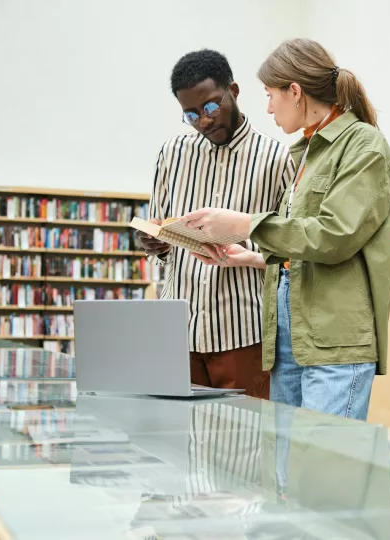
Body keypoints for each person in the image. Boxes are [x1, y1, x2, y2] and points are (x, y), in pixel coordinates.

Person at [183, 39, 390, 420]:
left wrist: (243, 224)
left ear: (295, 92)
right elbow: (303, 244)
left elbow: (334, 236)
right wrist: (251, 257)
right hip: (289, 340)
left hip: (334, 344)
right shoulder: (304, 154)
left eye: (271, 95)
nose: (267, 107)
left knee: (323, 472)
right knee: (285, 471)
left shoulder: (364, 145)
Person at [137, 49, 293, 399]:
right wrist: (155, 244)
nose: (204, 121)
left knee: (247, 444)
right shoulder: (171, 154)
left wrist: (244, 247)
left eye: (210, 107)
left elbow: (290, 246)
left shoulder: (277, 158)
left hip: (245, 333)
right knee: (182, 441)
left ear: (233, 92)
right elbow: (159, 228)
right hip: (179, 332)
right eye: (191, 115)